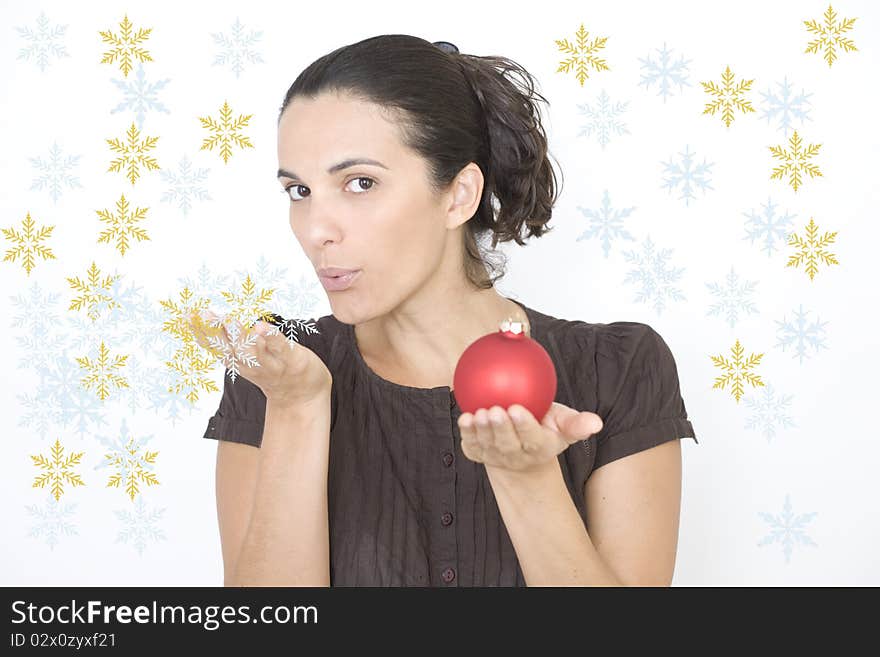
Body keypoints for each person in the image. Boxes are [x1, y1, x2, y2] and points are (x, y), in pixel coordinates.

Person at [193, 35, 698, 587]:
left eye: (360, 183)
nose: (316, 230)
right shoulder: (279, 364)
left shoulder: (616, 367)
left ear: (459, 194)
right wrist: (295, 408)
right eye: (299, 190)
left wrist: (527, 478)